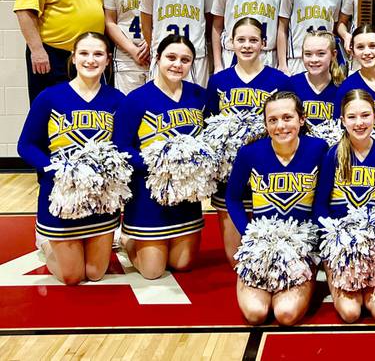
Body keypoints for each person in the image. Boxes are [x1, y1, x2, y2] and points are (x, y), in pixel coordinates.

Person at [17, 32, 124, 285]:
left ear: (108, 60)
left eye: (98, 54)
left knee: (96, 273)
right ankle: (46, 243)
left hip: (100, 197)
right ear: (73, 58)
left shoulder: (117, 99)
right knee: (72, 276)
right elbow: (26, 145)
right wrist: (55, 169)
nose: (91, 60)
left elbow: (122, 147)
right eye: (84, 53)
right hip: (61, 194)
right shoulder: (49, 97)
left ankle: (84, 241)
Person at [226, 91, 328, 326]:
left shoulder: (319, 149)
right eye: (272, 120)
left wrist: (310, 242)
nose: (280, 126)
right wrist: (250, 233)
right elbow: (232, 198)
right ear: (265, 123)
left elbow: (323, 201)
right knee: (255, 314)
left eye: (287, 118)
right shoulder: (249, 153)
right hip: (261, 249)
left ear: (301, 119)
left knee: (286, 314)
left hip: (300, 248)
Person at [112, 34, 206, 280]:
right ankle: (127, 240)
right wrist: (160, 165)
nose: (177, 64)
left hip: (186, 195)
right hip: (149, 191)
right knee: (153, 272)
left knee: (183, 264)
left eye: (185, 60)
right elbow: (120, 147)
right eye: (171, 57)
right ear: (157, 58)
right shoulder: (136, 99)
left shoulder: (199, 96)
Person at [205, 17, 293, 266]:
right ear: (230, 43)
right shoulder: (218, 81)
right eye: (240, 40)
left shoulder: (280, 81)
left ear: (264, 43)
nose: (246, 45)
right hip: (229, 174)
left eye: (253, 40)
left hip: (266, 173)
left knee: (268, 255)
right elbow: (209, 125)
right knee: (236, 261)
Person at [314, 89, 375, 322]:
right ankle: (332, 274)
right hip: (341, 245)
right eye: (351, 117)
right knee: (350, 313)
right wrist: (337, 239)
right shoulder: (332, 155)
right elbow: (320, 206)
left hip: (372, 244)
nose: (359, 123)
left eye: (365, 115)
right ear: (342, 120)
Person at [290, 30, 345, 127]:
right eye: (308, 54)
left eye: (321, 54)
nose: (314, 60)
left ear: (333, 55)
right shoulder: (291, 85)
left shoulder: (343, 87)